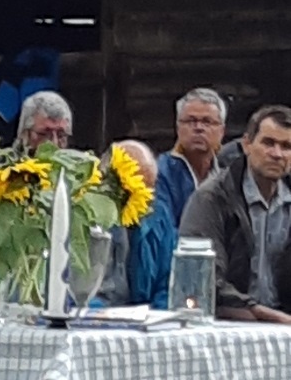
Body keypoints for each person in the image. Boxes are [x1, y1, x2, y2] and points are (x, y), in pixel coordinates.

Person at [180, 105, 291, 323]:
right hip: (228, 323)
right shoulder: (212, 198)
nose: (277, 154)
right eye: (268, 143)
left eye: (286, 146)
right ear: (247, 144)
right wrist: (265, 314)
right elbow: (204, 276)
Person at [98, 140, 176, 309]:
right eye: (137, 189)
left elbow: (170, 280)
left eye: (149, 188)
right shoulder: (84, 216)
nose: (145, 198)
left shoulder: (158, 215)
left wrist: (155, 313)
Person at [155, 88, 226, 226]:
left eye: (207, 122)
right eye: (190, 121)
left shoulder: (227, 176)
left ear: (221, 131)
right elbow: (163, 230)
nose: (199, 128)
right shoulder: (160, 172)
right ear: (178, 128)